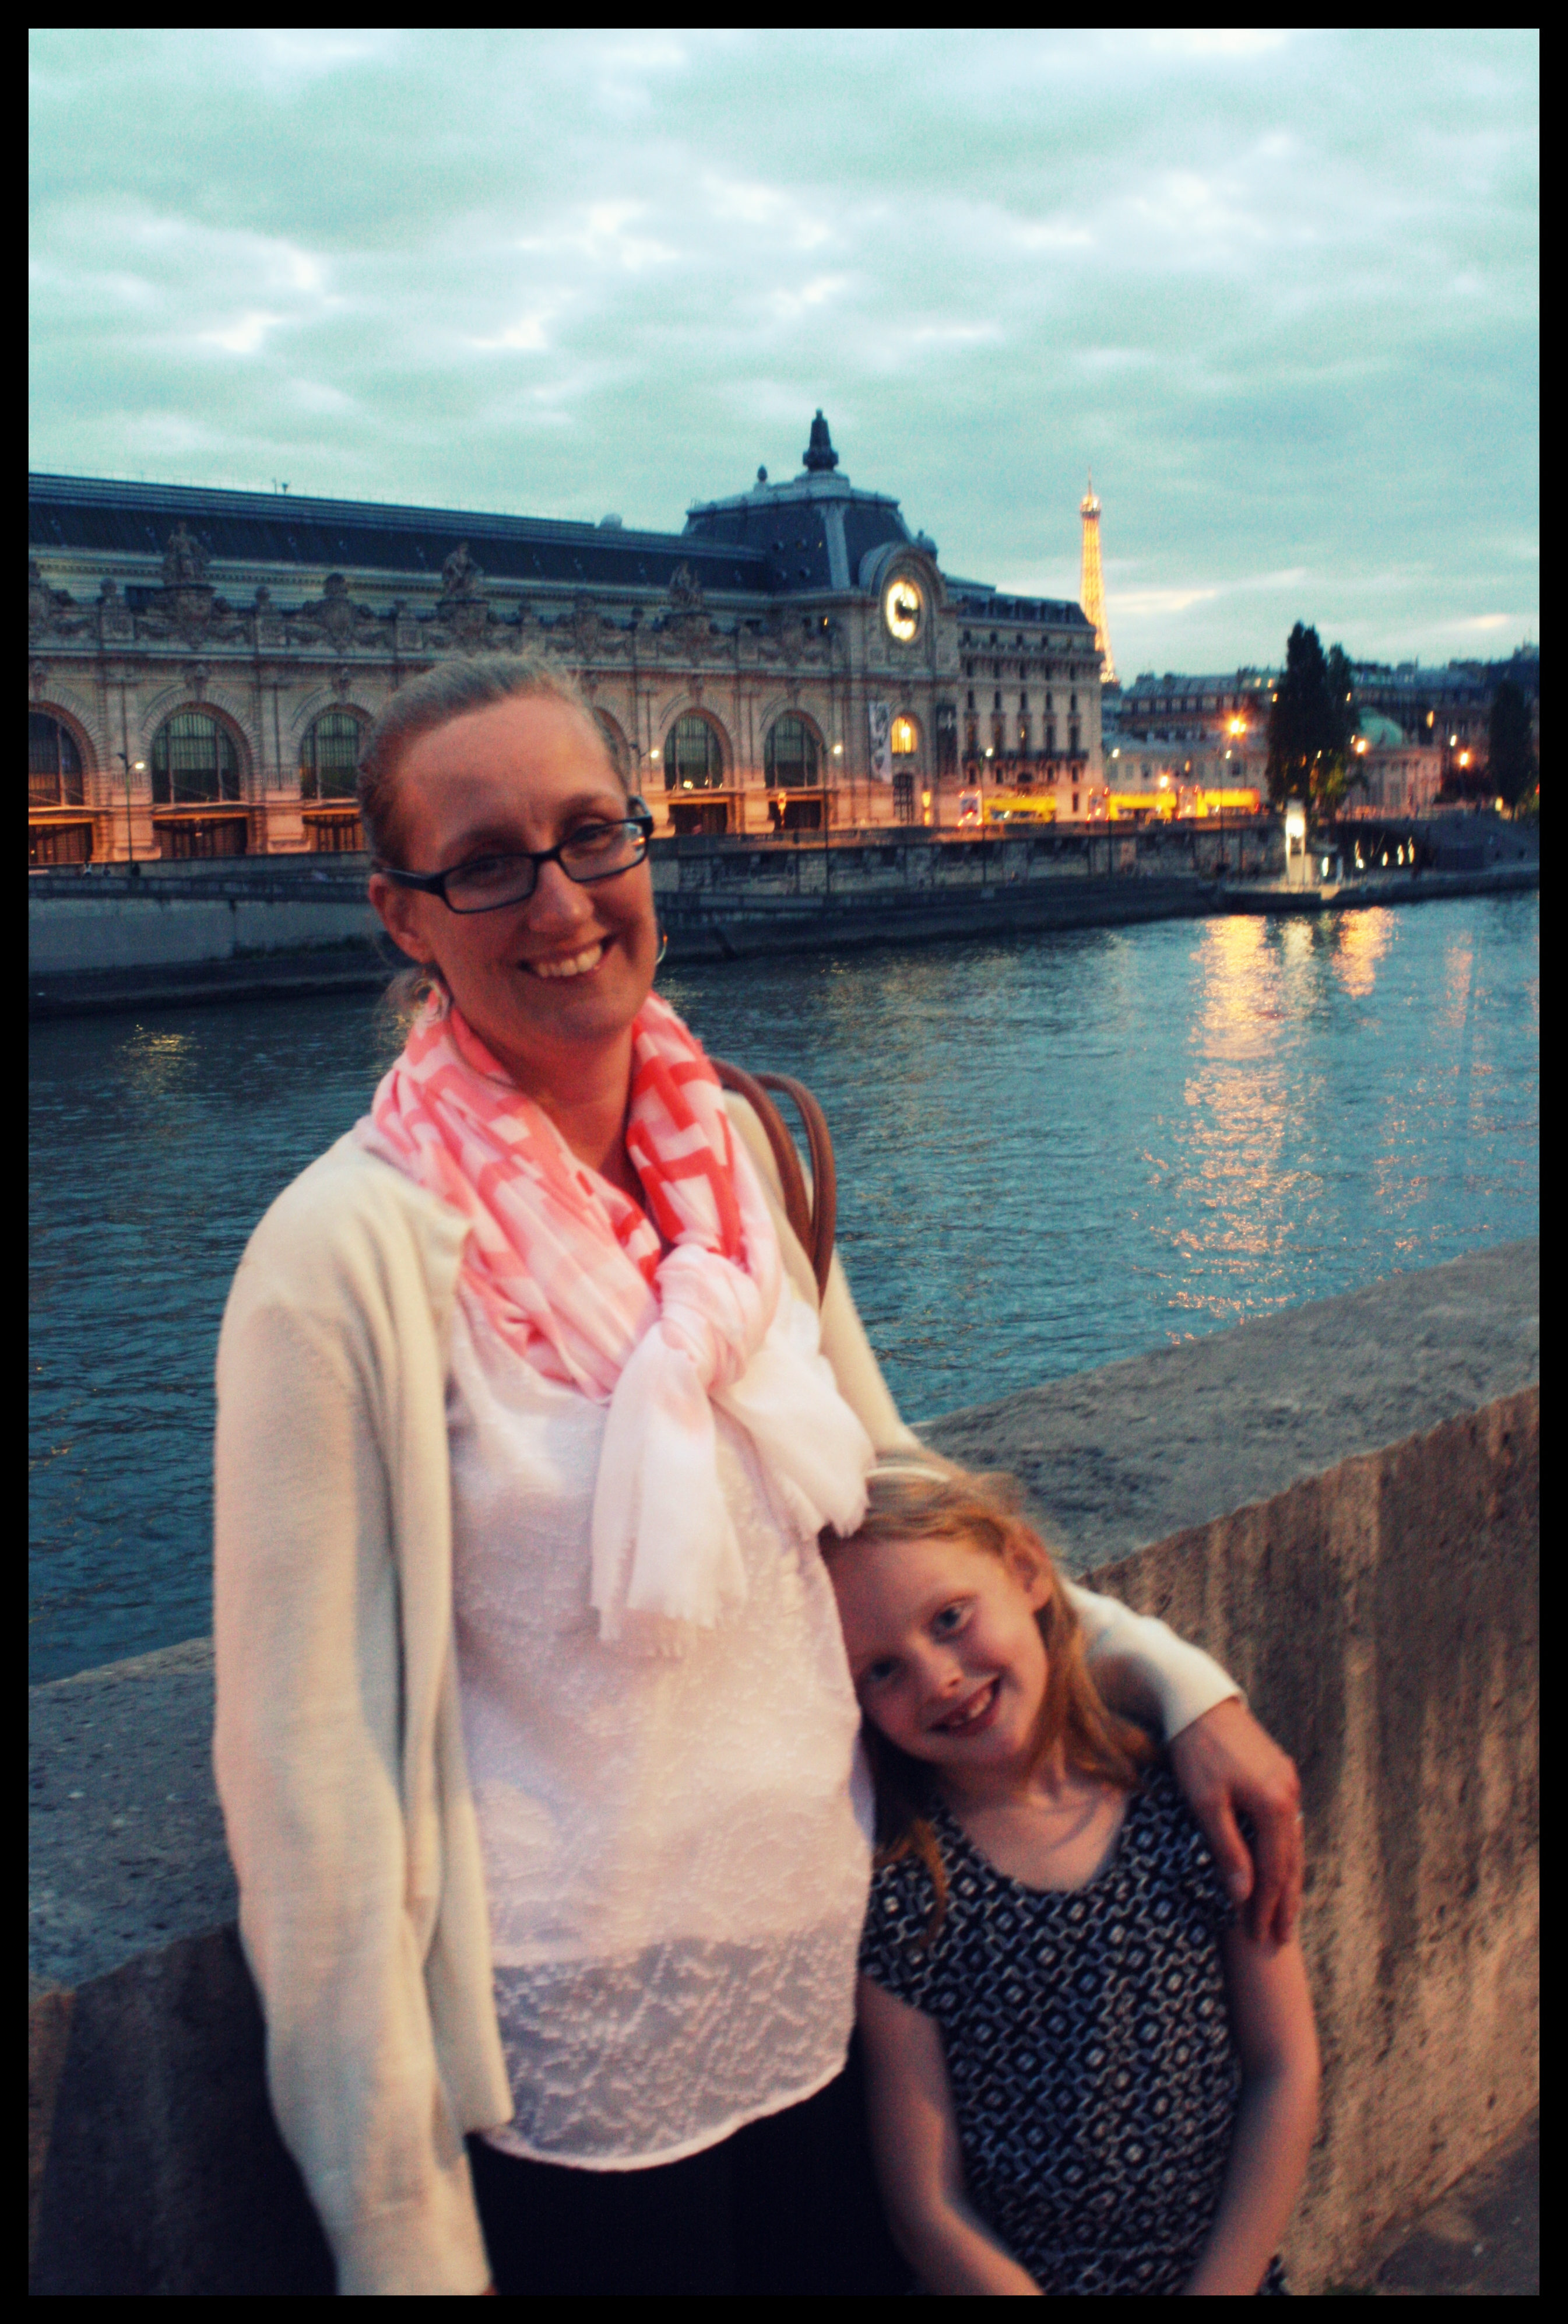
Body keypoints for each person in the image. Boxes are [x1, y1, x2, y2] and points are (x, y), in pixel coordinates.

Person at [212, 652, 1305, 2295]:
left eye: (593, 833)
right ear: (401, 915)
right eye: (487, 863)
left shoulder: (723, 1150)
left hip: (836, 1988)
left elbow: (892, 1488)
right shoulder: (338, 1257)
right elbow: (312, 1790)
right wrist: (401, 2241)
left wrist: (1170, 1681)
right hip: (577, 2071)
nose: (562, 900)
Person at [825, 1460, 1320, 2297]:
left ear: (1025, 1570)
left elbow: (1285, 2067)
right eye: (880, 1670)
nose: (938, 1677)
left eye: (949, 1618)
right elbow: (926, 2202)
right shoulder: (907, 1890)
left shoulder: (1192, 1812)